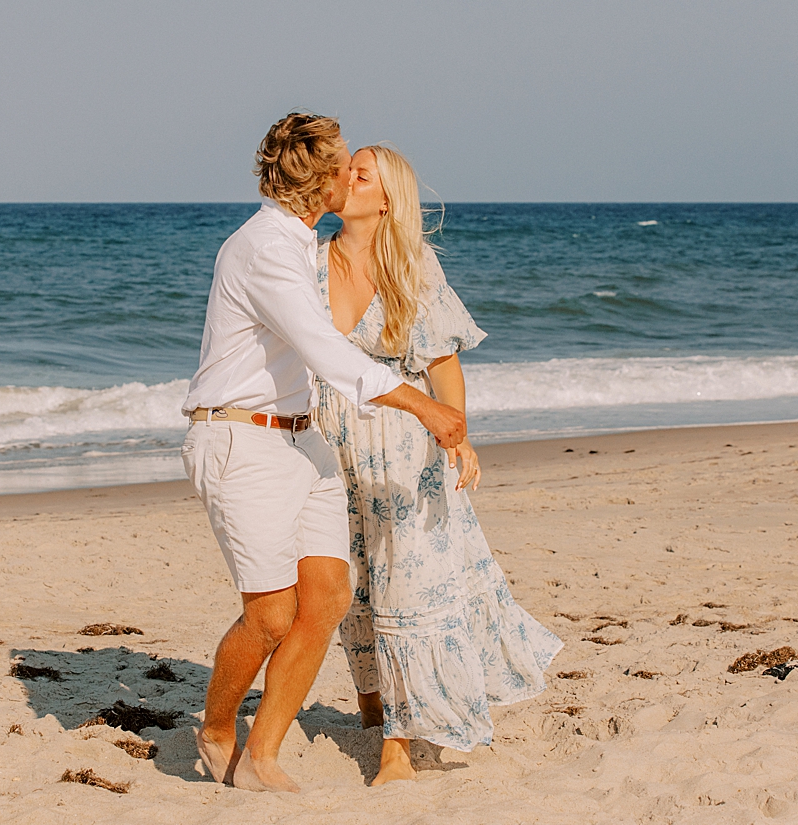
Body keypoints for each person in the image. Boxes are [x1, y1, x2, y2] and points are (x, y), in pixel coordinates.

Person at [179, 114, 470, 792]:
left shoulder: (304, 242)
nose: (351, 169)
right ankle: (218, 725)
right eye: (343, 163)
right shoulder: (266, 251)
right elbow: (328, 351)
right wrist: (423, 404)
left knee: (330, 596)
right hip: (240, 437)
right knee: (272, 614)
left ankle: (264, 753)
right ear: (320, 181)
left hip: (303, 438)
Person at [311, 145, 561, 786]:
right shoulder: (306, 260)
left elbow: (444, 366)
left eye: (360, 173)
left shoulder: (413, 268)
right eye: (345, 169)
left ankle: (398, 743)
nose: (345, 178)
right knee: (351, 579)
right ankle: (371, 703)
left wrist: (461, 439)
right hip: (327, 445)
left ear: (386, 198)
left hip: (402, 448)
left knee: (404, 588)